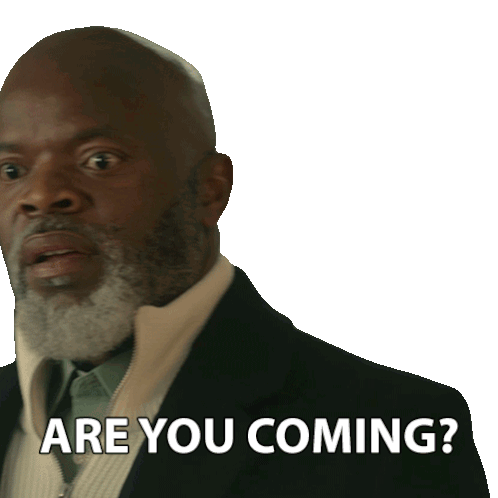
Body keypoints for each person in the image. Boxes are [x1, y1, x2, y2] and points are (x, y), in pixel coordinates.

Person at [0, 26, 489, 498]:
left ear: (209, 190)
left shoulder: (393, 430)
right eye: (11, 169)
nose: (39, 195)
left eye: (100, 160)